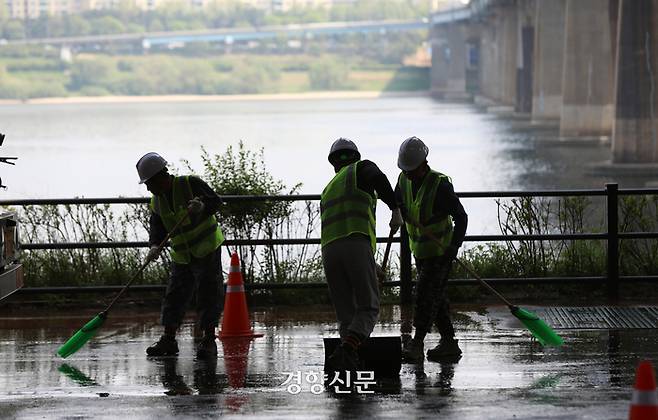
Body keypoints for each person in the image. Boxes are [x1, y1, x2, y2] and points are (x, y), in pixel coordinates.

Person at [320, 138, 403, 372]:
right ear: (355, 156)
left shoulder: (328, 189)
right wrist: (395, 208)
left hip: (329, 252)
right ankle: (347, 349)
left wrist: (372, 265)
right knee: (368, 307)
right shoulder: (362, 168)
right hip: (356, 243)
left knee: (346, 314)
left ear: (333, 163)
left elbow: (339, 231)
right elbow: (379, 179)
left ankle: (347, 363)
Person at [136, 152, 225, 360]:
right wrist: (154, 245)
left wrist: (202, 207)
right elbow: (157, 227)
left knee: (208, 292)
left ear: (161, 177)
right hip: (182, 255)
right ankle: (168, 339)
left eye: (149, 183)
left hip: (207, 248)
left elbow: (216, 201)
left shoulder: (190, 184)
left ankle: (209, 340)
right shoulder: (156, 202)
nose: (148, 188)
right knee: (175, 294)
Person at [395, 137, 468, 363]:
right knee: (436, 296)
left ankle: (416, 344)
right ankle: (449, 343)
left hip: (440, 253)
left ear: (424, 164)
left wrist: (453, 246)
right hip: (421, 252)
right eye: (404, 170)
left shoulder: (440, 186)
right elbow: (398, 201)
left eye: (411, 170)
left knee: (425, 295)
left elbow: (461, 217)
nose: (407, 175)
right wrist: (398, 211)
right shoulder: (403, 179)